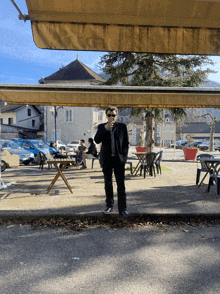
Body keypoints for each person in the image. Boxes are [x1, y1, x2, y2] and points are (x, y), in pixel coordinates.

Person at [94, 106, 129, 217]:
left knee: (121, 184)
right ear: (106, 116)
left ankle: (122, 209)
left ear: (116, 116)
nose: (111, 117)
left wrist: (124, 158)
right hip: (107, 160)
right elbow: (96, 140)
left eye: (113, 115)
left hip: (119, 160)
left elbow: (126, 144)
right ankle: (109, 205)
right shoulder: (101, 127)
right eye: (109, 115)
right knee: (108, 183)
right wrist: (105, 129)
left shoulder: (122, 127)